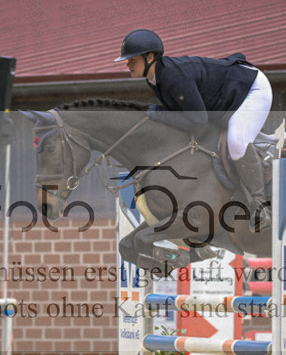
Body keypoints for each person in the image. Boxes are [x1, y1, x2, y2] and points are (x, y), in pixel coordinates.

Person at [114, 28, 274, 230]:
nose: (127, 64)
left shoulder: (173, 76)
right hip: (224, 100)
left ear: (150, 57)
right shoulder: (155, 78)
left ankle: (260, 207)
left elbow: (198, 121)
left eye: (132, 59)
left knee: (236, 142)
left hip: (251, 89)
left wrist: (161, 114)